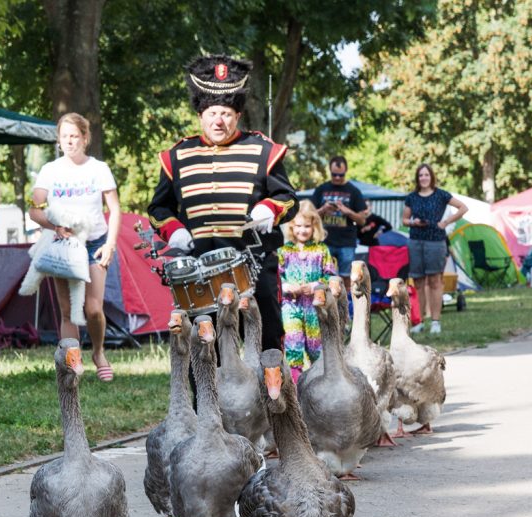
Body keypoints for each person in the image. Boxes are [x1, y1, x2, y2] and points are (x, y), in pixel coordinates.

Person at [148, 54, 298, 351]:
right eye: (213, 113)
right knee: (203, 350)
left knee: (267, 340)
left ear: (238, 116)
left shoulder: (263, 150)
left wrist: (270, 208)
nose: (219, 120)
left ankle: (274, 396)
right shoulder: (176, 156)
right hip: (198, 270)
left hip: (254, 264)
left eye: (226, 114)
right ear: (201, 115)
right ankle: (205, 399)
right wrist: (174, 229)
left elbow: (288, 198)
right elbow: (157, 209)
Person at [29, 113, 122, 381]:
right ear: (58, 140)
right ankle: (71, 361)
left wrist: (111, 245)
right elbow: (35, 210)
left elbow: (114, 209)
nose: (69, 141)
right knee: (68, 309)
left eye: (74, 136)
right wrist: (54, 225)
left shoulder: (98, 169)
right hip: (64, 245)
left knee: (93, 308)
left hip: (95, 243)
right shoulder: (50, 171)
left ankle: (98, 352)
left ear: (85, 138)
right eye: (64, 137)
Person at [401, 163, 467, 335]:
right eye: (420, 175)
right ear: (417, 178)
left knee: (435, 281)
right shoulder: (412, 197)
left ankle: (436, 321)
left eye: (426, 175)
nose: (423, 178)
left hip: (436, 241)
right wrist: (413, 222)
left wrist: (446, 222)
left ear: (431, 177)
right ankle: (419, 320)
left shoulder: (441, 195)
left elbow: (463, 208)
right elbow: (404, 220)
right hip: (415, 241)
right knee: (418, 282)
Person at [279, 200, 337, 384]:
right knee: (293, 343)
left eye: (307, 226)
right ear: (291, 226)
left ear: (314, 226)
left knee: (315, 346)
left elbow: (330, 276)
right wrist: (288, 287)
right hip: (291, 305)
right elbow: (277, 277)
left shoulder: (321, 250)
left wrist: (313, 286)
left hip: (314, 307)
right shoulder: (284, 251)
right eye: (298, 226)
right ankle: (294, 388)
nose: (302, 230)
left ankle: (318, 384)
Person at [312, 155, 367, 289]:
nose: (337, 178)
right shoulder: (321, 189)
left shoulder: (354, 191)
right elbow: (309, 216)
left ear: (346, 171)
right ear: (329, 171)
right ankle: (327, 306)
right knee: (324, 277)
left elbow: (362, 221)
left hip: (346, 242)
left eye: (340, 175)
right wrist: (323, 209)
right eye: (334, 174)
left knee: (346, 277)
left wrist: (348, 212)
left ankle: (345, 307)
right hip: (324, 241)